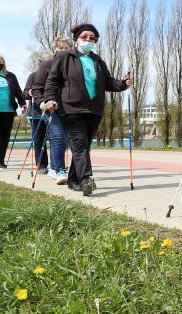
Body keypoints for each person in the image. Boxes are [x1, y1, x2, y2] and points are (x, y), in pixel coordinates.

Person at [42, 24, 132, 196]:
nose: (88, 40)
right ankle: (86, 180)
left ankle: (73, 180)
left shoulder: (98, 61)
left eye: (92, 38)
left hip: (94, 109)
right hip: (72, 108)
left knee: (83, 147)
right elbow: (52, 81)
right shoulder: (64, 57)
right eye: (85, 37)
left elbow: (108, 83)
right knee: (80, 145)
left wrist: (122, 83)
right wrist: (50, 99)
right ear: (76, 39)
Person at [31, 36, 73, 185]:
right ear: (55, 49)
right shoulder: (47, 65)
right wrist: (44, 103)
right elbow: (36, 89)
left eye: (66, 48)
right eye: (60, 48)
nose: (63, 51)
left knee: (65, 138)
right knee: (58, 137)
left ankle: (54, 168)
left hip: (69, 109)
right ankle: (59, 169)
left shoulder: (74, 65)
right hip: (51, 109)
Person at [25, 59, 50, 176]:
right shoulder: (33, 75)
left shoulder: (58, 74)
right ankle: (41, 164)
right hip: (36, 113)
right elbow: (24, 93)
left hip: (54, 112)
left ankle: (56, 166)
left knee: (56, 139)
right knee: (39, 140)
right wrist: (30, 92)